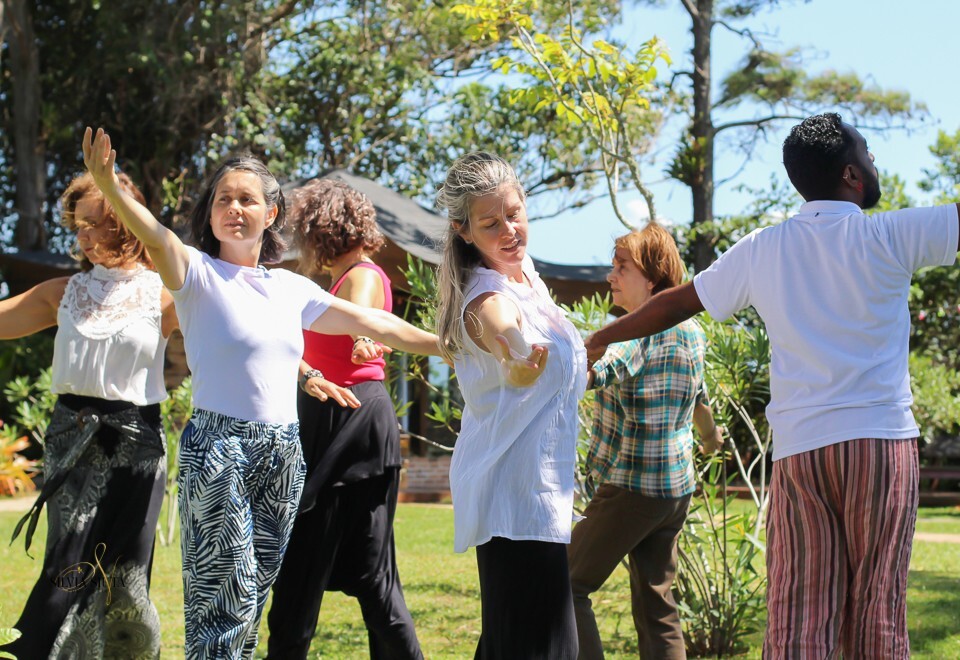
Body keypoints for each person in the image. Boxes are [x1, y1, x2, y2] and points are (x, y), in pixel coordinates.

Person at [584, 113, 960, 659]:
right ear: (852, 174)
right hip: (879, 446)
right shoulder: (891, 235)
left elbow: (677, 303)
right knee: (877, 612)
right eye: (868, 153)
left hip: (800, 452)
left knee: (798, 619)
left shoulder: (764, 248)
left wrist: (601, 336)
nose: (875, 161)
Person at [82, 127, 441, 659]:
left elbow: (375, 322)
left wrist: (450, 345)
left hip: (283, 452)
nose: (234, 208)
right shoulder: (196, 273)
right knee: (224, 600)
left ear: (270, 214)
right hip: (219, 447)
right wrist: (111, 187)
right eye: (223, 199)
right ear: (210, 215)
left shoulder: (289, 288)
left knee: (250, 599)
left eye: (247, 199)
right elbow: (157, 237)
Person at [0, 172, 177, 659]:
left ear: (126, 221)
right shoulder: (65, 292)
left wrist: (307, 370)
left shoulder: (166, 294)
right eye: (79, 226)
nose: (85, 236)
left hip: (137, 442)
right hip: (72, 438)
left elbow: (233, 335)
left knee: (126, 572)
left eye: (97, 223)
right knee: (69, 563)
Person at [435, 151, 587, 659]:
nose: (509, 230)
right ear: (463, 231)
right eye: (491, 223)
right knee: (543, 648)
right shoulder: (487, 297)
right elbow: (507, 336)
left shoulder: (528, 280)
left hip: (537, 496)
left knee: (516, 644)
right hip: (514, 500)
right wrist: (516, 361)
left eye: (514, 214)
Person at [266, 178, 421, 659]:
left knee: (311, 572)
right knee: (369, 578)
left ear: (322, 230)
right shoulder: (341, 280)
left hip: (348, 426)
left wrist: (362, 339)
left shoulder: (362, 275)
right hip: (342, 424)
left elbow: (363, 318)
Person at [567, 223, 722, 660]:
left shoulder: (631, 332)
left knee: (565, 583)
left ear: (652, 278)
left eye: (622, 267)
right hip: (675, 490)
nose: (610, 276)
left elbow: (600, 371)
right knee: (658, 606)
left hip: (632, 488)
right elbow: (700, 400)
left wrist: (550, 375)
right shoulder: (693, 331)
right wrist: (711, 439)